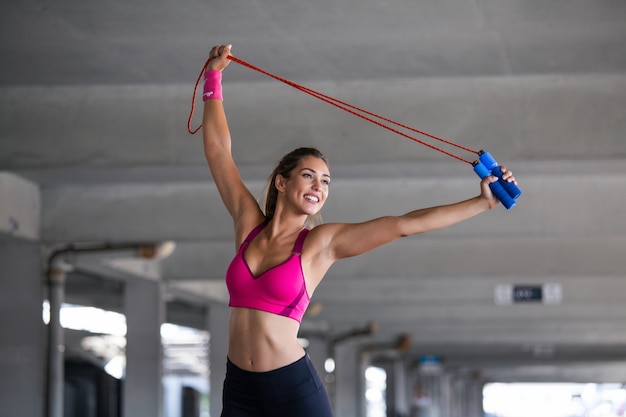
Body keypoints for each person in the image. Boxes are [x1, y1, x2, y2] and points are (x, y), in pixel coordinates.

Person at [202, 44, 517, 417]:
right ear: (282, 183)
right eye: (308, 176)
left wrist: (481, 203)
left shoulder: (321, 244)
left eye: (326, 181)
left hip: (292, 392)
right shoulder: (248, 226)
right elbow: (219, 152)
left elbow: (403, 225)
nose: (319, 187)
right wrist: (213, 77)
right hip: (238, 390)